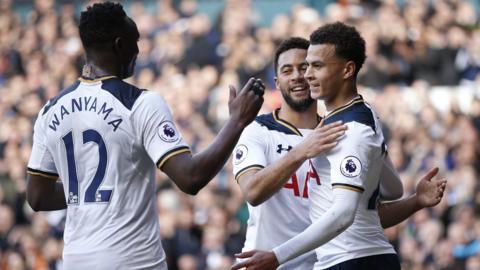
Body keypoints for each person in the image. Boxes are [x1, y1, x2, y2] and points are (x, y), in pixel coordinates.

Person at [25, 2, 263, 270]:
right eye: (134, 42)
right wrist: (237, 122)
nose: (138, 51)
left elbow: (38, 197)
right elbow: (191, 178)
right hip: (132, 261)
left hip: (75, 261)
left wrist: (90, 189)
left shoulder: (50, 110)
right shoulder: (140, 103)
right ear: (119, 44)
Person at [231, 23, 446, 270]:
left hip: (328, 261)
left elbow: (352, 213)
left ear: (346, 70)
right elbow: (252, 192)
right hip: (274, 263)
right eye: (289, 70)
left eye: (311, 66)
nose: (303, 75)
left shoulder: (344, 129)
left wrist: (414, 201)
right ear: (277, 82)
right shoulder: (259, 130)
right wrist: (301, 151)